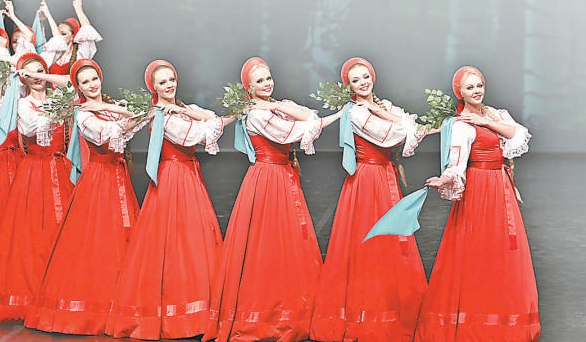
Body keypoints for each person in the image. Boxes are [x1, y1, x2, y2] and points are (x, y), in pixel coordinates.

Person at [205, 57, 341, 342]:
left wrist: (275, 105)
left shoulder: (274, 107)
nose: (266, 83)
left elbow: (307, 115)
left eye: (268, 78)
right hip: (267, 179)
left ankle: (293, 306)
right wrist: (337, 115)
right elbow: (296, 131)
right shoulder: (256, 115)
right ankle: (268, 313)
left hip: (282, 176)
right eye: (259, 81)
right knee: (267, 244)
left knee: (290, 242)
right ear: (249, 88)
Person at [414, 66, 540, 342]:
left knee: (503, 249)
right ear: (460, 92)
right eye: (470, 87)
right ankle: (475, 320)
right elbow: (456, 163)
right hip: (480, 188)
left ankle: (504, 318)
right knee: (478, 249)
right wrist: (444, 178)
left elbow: (517, 134)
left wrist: (486, 122)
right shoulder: (460, 125)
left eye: (479, 85)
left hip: (500, 186)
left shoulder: (495, 114)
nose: (476, 91)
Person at [105, 59, 228, 340]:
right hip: (174, 177)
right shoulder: (164, 117)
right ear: (154, 88)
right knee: (174, 241)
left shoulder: (181, 109)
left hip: (188, 175)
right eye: (163, 82)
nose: (169, 85)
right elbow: (197, 134)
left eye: (171, 79)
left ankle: (201, 307)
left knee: (194, 238)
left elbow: (210, 117)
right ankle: (176, 311)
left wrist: (185, 110)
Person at [309, 57, 428, 342]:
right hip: (366, 180)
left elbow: (412, 127)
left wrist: (381, 110)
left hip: (385, 176)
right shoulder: (355, 113)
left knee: (392, 241)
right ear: (348, 86)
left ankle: (394, 307)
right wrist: (382, 113)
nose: (363, 83)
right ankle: (366, 313)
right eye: (356, 80)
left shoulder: (383, 105)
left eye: (365, 77)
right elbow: (393, 134)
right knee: (368, 243)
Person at [25, 59, 147, 336]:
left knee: (125, 235)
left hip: (119, 177)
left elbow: (138, 115)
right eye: (85, 82)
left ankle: (124, 299)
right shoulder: (83, 115)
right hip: (100, 180)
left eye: (94, 79)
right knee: (100, 241)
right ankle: (98, 306)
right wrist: (101, 109)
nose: (92, 85)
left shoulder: (107, 107)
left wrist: (107, 107)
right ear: (78, 88)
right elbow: (110, 135)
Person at [0, 53, 74, 324]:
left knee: (65, 229)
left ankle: (59, 290)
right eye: (30, 74)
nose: (37, 77)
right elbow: (33, 129)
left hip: (61, 168)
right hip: (36, 172)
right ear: (23, 79)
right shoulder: (22, 104)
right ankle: (34, 292)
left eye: (40, 71)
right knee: (35, 232)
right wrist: (28, 78)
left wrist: (39, 74)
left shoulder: (59, 95)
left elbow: (71, 84)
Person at [39, 0, 101, 75]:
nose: (59, 36)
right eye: (57, 33)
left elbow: (87, 30)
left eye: (63, 34)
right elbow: (41, 42)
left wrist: (78, 9)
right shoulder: (52, 54)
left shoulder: (80, 55)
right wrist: (41, 20)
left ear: (73, 36)